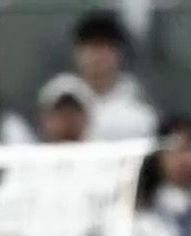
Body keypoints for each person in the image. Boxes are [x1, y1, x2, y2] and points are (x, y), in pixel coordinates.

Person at [67, 10, 156, 141]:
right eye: (91, 47)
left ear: (119, 54)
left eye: (104, 47)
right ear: (77, 53)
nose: (97, 56)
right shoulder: (59, 100)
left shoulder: (139, 113)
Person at [35, 73, 92, 144]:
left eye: (73, 111)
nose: (68, 119)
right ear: (44, 118)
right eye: (60, 111)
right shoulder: (29, 154)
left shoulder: (104, 153)